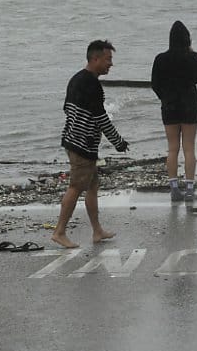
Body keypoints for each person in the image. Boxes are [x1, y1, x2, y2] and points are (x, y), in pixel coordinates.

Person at [52, 40, 129, 248]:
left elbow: (67, 109)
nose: (110, 64)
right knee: (76, 186)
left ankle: (97, 231)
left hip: (73, 139)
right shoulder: (92, 85)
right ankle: (59, 231)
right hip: (82, 145)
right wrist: (118, 142)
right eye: (108, 59)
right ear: (95, 59)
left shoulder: (76, 79)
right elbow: (101, 118)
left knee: (93, 185)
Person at [151, 21, 197, 202]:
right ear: (187, 39)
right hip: (190, 103)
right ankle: (190, 188)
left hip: (169, 105)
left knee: (172, 148)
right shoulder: (193, 57)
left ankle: (174, 188)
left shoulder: (160, 59)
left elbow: (155, 83)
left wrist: (164, 97)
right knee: (189, 147)